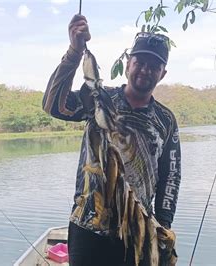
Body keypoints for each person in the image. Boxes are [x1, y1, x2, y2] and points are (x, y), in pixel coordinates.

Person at [42, 14, 181, 266]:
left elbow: (170, 176)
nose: (146, 70)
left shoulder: (165, 120)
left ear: (163, 73)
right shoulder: (98, 99)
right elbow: (53, 105)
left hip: (136, 232)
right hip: (87, 227)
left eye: (154, 66)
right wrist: (74, 53)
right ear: (128, 64)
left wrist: (163, 225)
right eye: (140, 62)